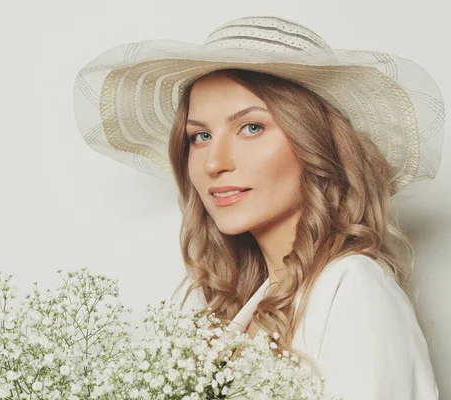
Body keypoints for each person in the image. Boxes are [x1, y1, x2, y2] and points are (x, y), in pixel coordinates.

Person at [72, 16, 444, 399]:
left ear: (314, 143)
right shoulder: (251, 304)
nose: (214, 162)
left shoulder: (352, 288)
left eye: (251, 127)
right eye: (200, 136)